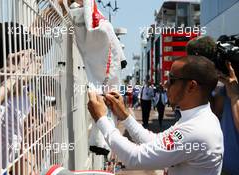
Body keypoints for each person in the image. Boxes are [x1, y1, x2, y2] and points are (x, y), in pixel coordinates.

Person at [88, 55, 223, 175]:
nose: (165, 84)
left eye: (172, 79)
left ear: (191, 87)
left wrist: (101, 118)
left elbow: (135, 158)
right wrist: (125, 116)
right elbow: (154, 141)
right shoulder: (196, 119)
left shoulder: (197, 129)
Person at [187, 36, 239, 175]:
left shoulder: (233, 91)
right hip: (223, 167)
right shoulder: (228, 86)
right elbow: (215, 113)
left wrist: (235, 97)